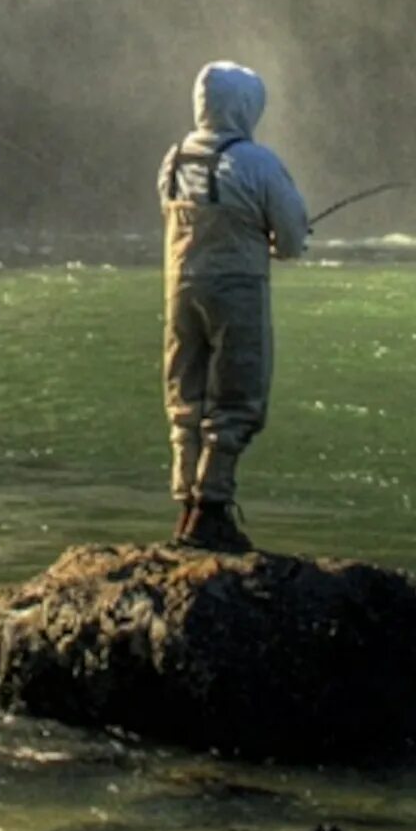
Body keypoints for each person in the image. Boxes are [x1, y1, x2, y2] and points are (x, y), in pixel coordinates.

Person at [158, 60, 311, 553]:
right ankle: (212, 511)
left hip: (180, 288)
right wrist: (278, 240)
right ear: (244, 106)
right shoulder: (258, 162)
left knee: (186, 396)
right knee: (237, 399)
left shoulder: (174, 158)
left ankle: (186, 508)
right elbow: (289, 239)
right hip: (238, 288)